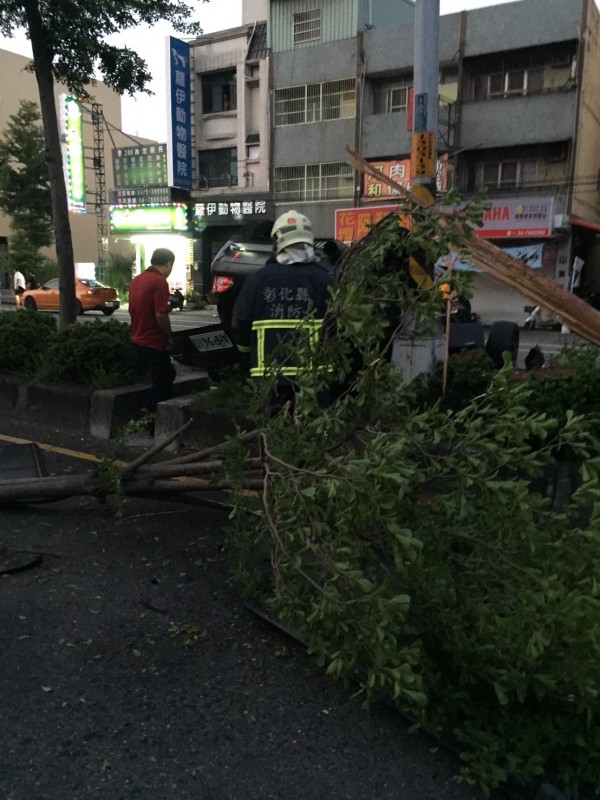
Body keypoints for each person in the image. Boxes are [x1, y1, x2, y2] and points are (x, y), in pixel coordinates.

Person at [231, 210, 332, 414]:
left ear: (277, 242)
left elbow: (240, 322)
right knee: (313, 431)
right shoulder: (326, 280)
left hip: (269, 374)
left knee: (275, 430)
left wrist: (244, 358)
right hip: (315, 377)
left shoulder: (258, 280)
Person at [128, 248, 177, 428]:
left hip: (137, 339)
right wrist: (169, 336)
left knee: (163, 376)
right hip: (153, 341)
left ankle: (145, 409)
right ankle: (153, 422)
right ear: (168, 264)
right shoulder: (159, 281)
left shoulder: (137, 280)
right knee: (163, 380)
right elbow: (160, 316)